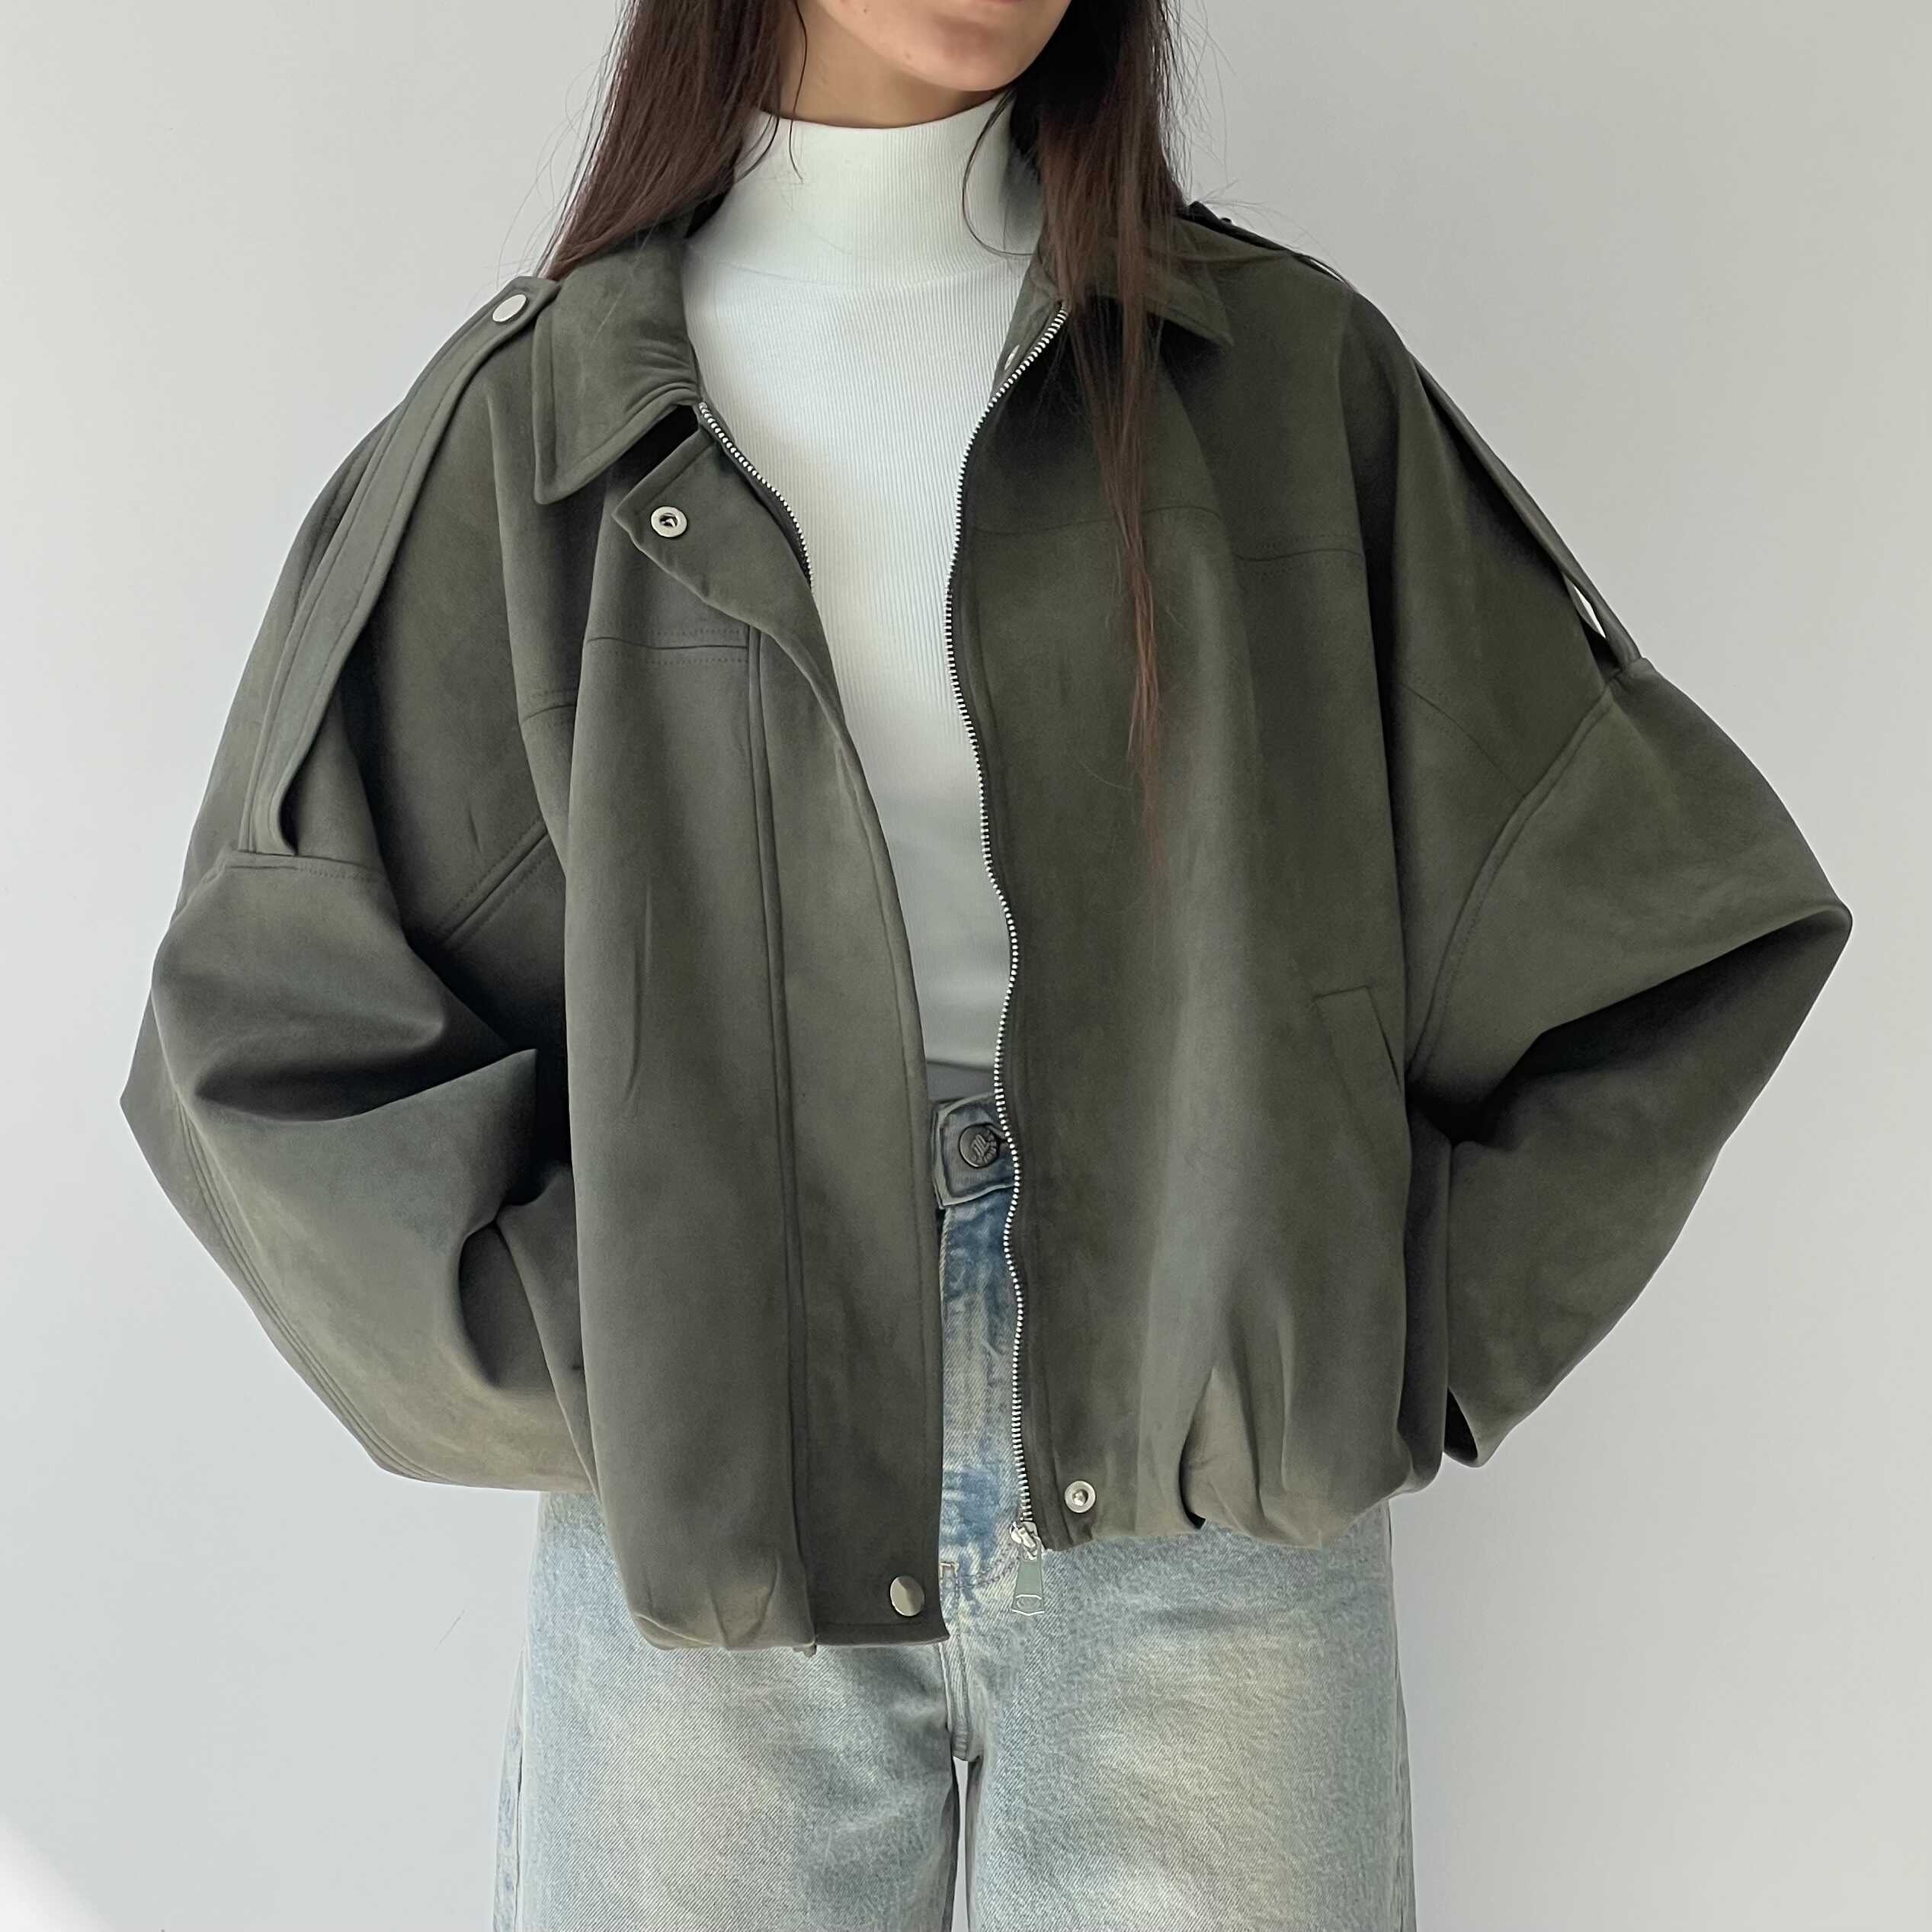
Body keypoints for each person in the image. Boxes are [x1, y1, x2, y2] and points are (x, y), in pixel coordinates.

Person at [116, 2, 1854, 1926]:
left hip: (1210, 1512)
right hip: (718, 1534)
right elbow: (273, 1033)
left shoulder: (1276, 380)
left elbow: (1663, 937)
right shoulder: (537, 422)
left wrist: (1369, 1321)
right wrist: (631, 1353)